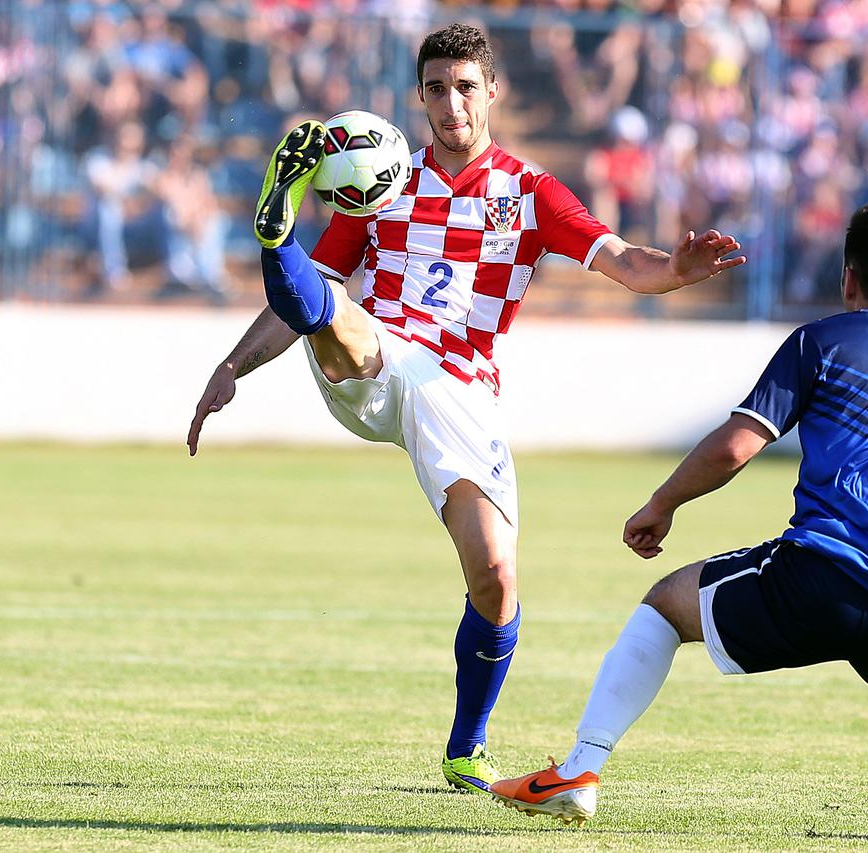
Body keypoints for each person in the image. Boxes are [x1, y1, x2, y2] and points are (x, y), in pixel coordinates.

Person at [185, 23, 745, 795]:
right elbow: (295, 307)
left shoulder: (531, 192)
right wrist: (232, 365)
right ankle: (276, 228)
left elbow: (622, 261)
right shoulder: (377, 183)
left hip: (459, 392)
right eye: (437, 89)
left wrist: (677, 270)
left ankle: (464, 749)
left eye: (466, 87)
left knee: (496, 578)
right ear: (419, 98)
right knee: (338, 315)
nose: (452, 103)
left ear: (493, 91)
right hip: (380, 360)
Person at [490, 203, 868, 841]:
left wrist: (662, 504)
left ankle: (580, 770)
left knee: (664, 606)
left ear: (848, 281)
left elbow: (735, 447)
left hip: (820, 577)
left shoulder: (823, 341)